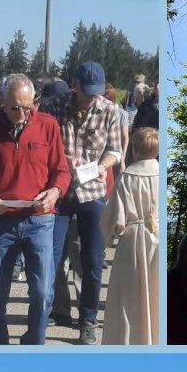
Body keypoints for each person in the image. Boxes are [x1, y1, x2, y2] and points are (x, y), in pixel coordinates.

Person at [0, 73, 70, 345]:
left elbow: (62, 171)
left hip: (39, 220)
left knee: (42, 293)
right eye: (15, 108)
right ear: (2, 102)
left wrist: (55, 192)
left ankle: (33, 346)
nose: (23, 113)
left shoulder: (47, 125)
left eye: (29, 106)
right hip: (0, 223)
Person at [46, 61, 123, 345]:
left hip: (93, 192)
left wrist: (105, 164)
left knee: (92, 262)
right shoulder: (54, 106)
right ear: (75, 85)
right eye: (87, 91)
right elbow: (44, 143)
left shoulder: (110, 111)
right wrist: (63, 160)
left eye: (96, 92)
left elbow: (115, 148)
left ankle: (88, 320)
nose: (92, 97)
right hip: (60, 191)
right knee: (52, 257)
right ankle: (50, 311)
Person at [99, 126, 159, 345]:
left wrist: (105, 241)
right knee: (155, 297)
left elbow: (113, 218)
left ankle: (128, 342)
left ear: (134, 150)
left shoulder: (128, 177)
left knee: (128, 300)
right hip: (158, 239)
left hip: (133, 241)